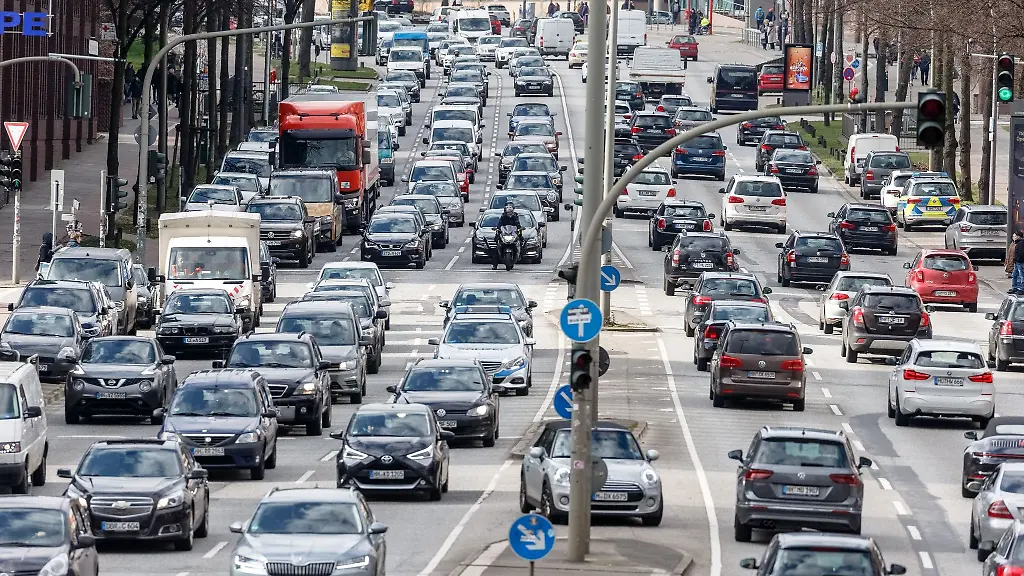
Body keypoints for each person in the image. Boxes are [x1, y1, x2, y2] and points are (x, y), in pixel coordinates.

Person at [1013, 229, 1024, 294]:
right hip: (1017, 262)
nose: (1013, 238)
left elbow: (1021, 253)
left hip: (1020, 262)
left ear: (1018, 236)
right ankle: (1016, 287)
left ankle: (1021, 288)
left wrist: (1018, 259)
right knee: (1015, 275)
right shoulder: (1017, 243)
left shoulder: (1021, 243)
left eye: (1014, 236)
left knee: (1021, 275)